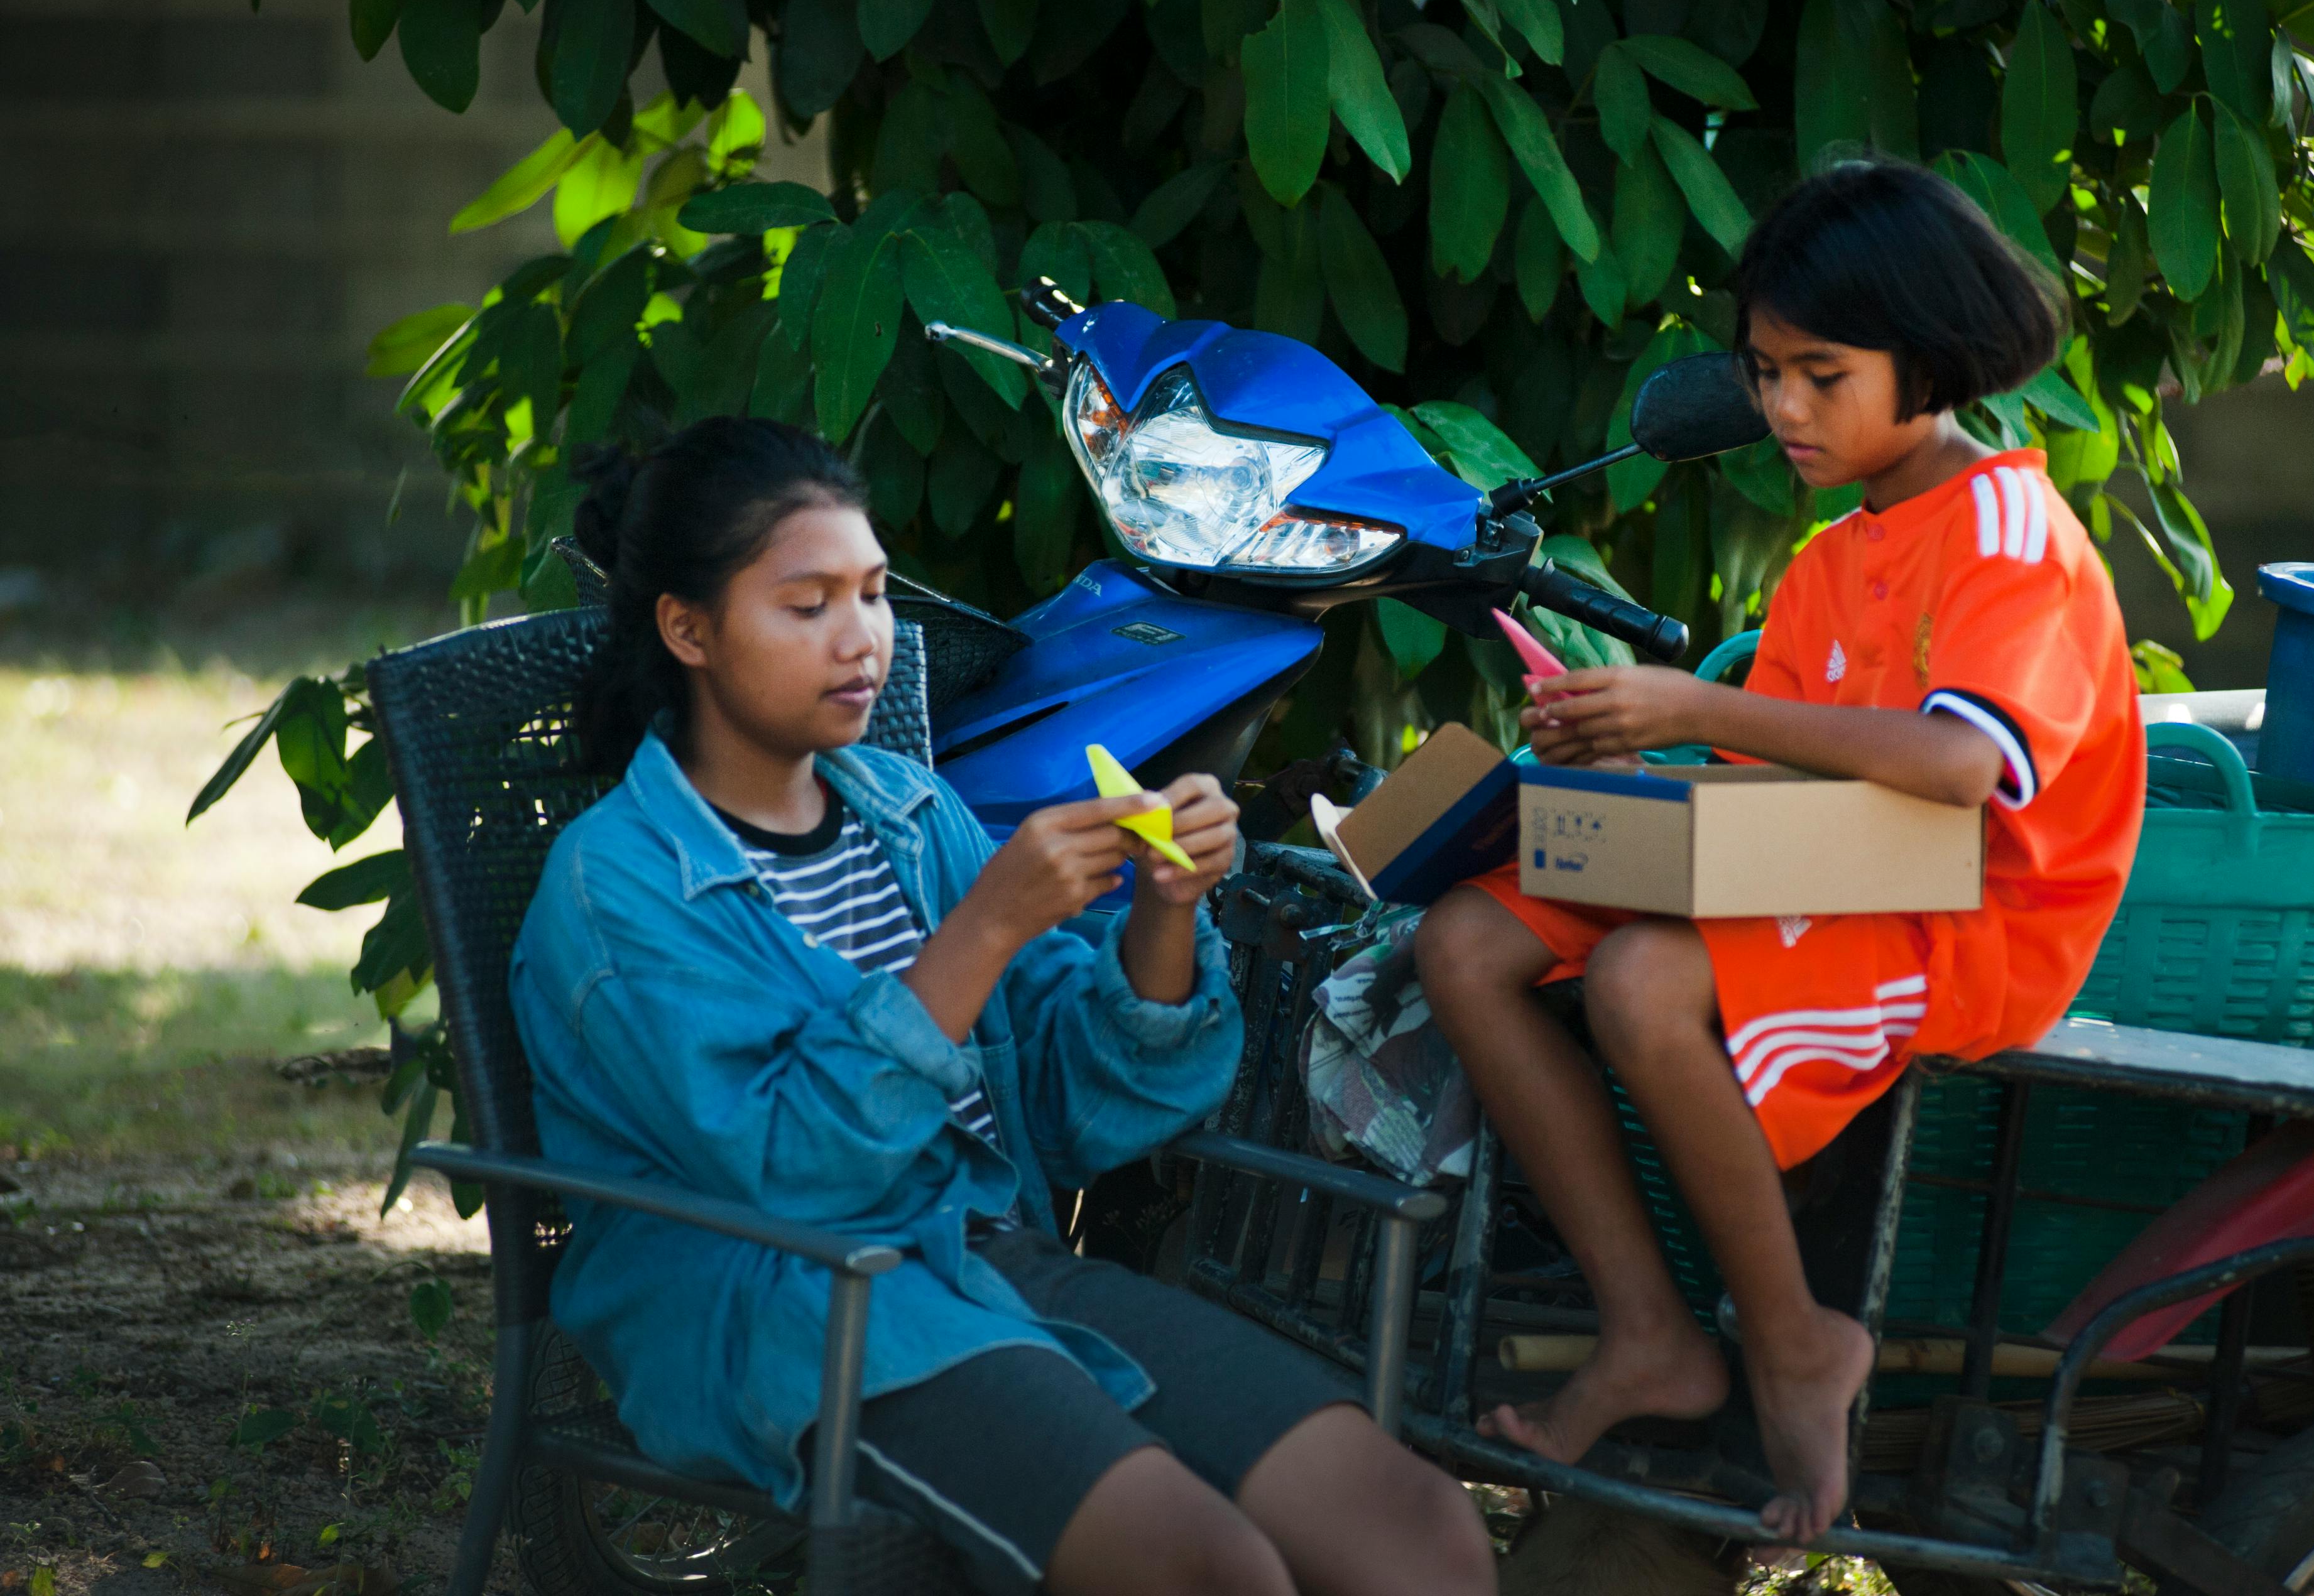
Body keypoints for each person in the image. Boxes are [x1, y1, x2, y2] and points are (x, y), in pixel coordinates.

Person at [509, 418, 1494, 1596]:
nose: (862, 640)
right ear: (688, 629)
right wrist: (985, 929)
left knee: (1416, 1530)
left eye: (873, 595)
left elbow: (1085, 1107)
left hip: (994, 1261)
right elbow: (785, 1173)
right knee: (1208, 1570)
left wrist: (1164, 910)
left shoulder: (903, 813)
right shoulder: (617, 888)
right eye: (807, 604)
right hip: (788, 1306)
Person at [1414, 160, 2146, 1544]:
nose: (1782, 410)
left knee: (1640, 980)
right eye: (1762, 373)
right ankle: (1646, 1332)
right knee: (1465, 939)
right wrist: (1627, 768)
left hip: (1968, 918)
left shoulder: (2009, 531)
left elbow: (1960, 767)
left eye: (1821, 372)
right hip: (1837, 873)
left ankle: (1795, 1341)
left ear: (1928, 359)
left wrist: (1689, 706)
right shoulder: (1827, 562)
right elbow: (1771, 803)